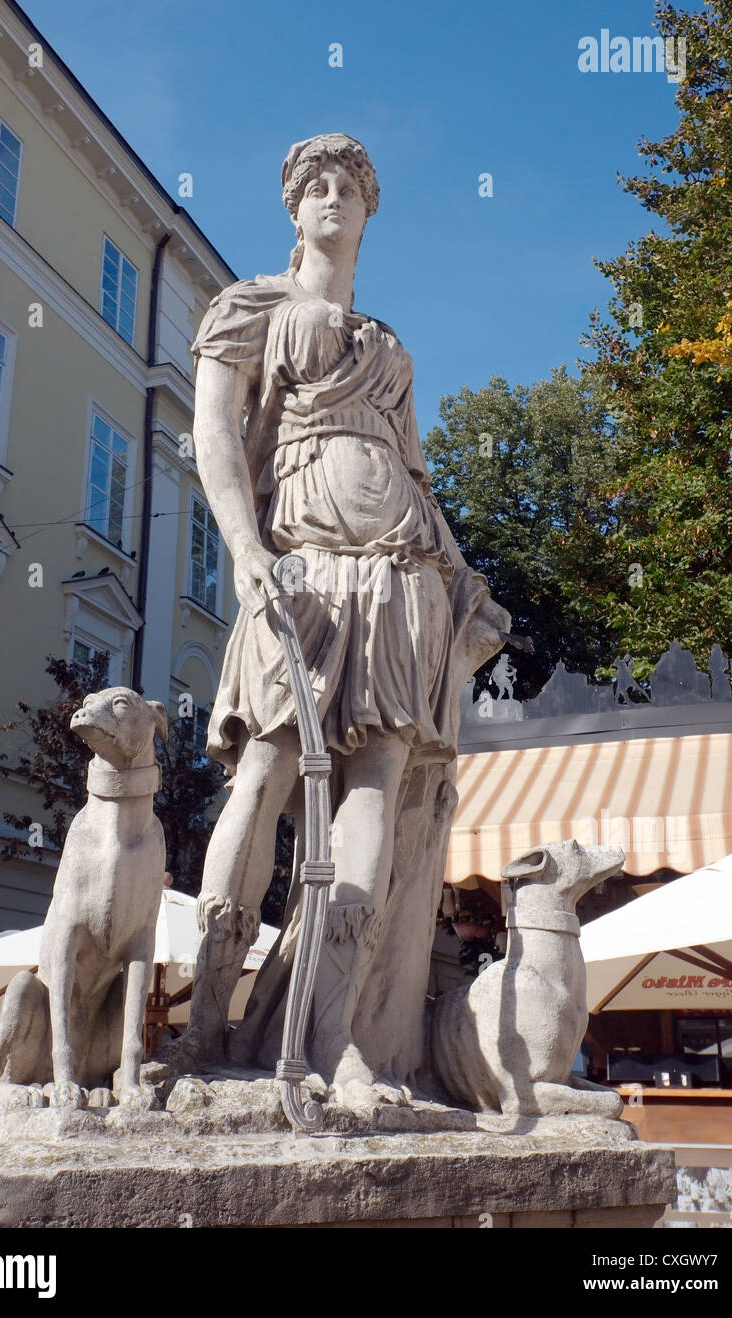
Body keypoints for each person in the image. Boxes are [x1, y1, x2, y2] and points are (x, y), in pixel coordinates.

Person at [151, 135, 504, 1108]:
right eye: (316, 185)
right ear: (291, 205)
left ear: (367, 211)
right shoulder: (248, 307)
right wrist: (242, 549)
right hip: (297, 571)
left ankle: (333, 1035)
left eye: (350, 186)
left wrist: (461, 587)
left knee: (375, 796)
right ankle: (206, 1029)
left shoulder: (387, 343)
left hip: (398, 583)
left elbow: (415, 474)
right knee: (263, 772)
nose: (333, 197)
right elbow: (214, 438)